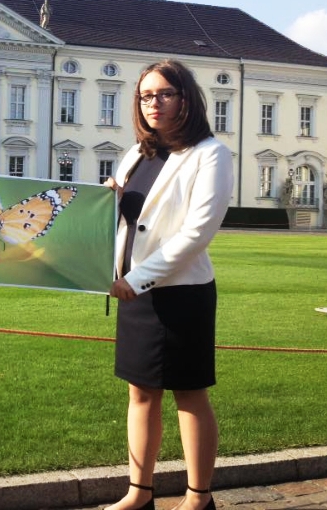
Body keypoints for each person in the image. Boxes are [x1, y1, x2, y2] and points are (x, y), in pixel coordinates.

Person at [103, 60, 233, 510]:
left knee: (190, 394)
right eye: (145, 96)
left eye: (163, 94)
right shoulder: (136, 154)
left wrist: (137, 279)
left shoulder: (210, 153)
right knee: (140, 393)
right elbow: (125, 223)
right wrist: (107, 201)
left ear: (185, 98)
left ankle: (199, 499)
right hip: (133, 293)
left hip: (181, 293)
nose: (152, 103)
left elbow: (197, 233)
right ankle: (139, 493)